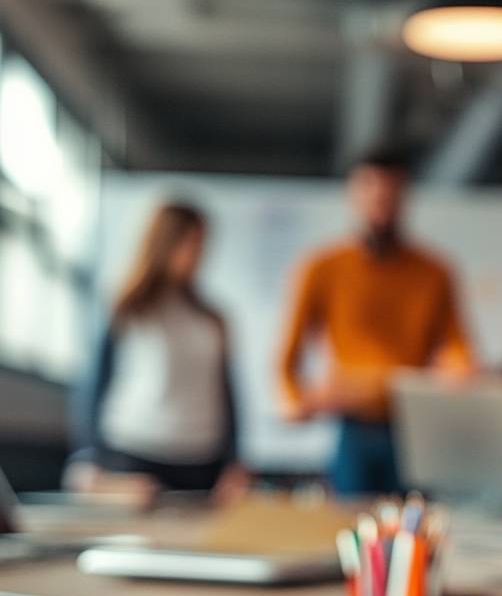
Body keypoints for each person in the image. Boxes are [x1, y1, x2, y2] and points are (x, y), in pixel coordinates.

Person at [277, 145, 474, 494]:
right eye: (371, 190)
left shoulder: (435, 272)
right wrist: (296, 400)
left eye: (391, 193)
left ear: (404, 196)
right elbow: (286, 360)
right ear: (353, 194)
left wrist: (458, 374)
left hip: (413, 428)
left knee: (412, 532)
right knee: (348, 526)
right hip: (353, 429)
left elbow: (457, 347)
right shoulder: (322, 267)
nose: (380, 202)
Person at [76, 202, 247, 497]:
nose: (198, 253)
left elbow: (226, 393)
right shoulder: (128, 308)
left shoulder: (211, 319)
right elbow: (96, 384)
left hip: (201, 460)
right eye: (191, 242)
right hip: (134, 455)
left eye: (202, 243)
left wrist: (234, 460)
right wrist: (88, 455)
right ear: (166, 241)